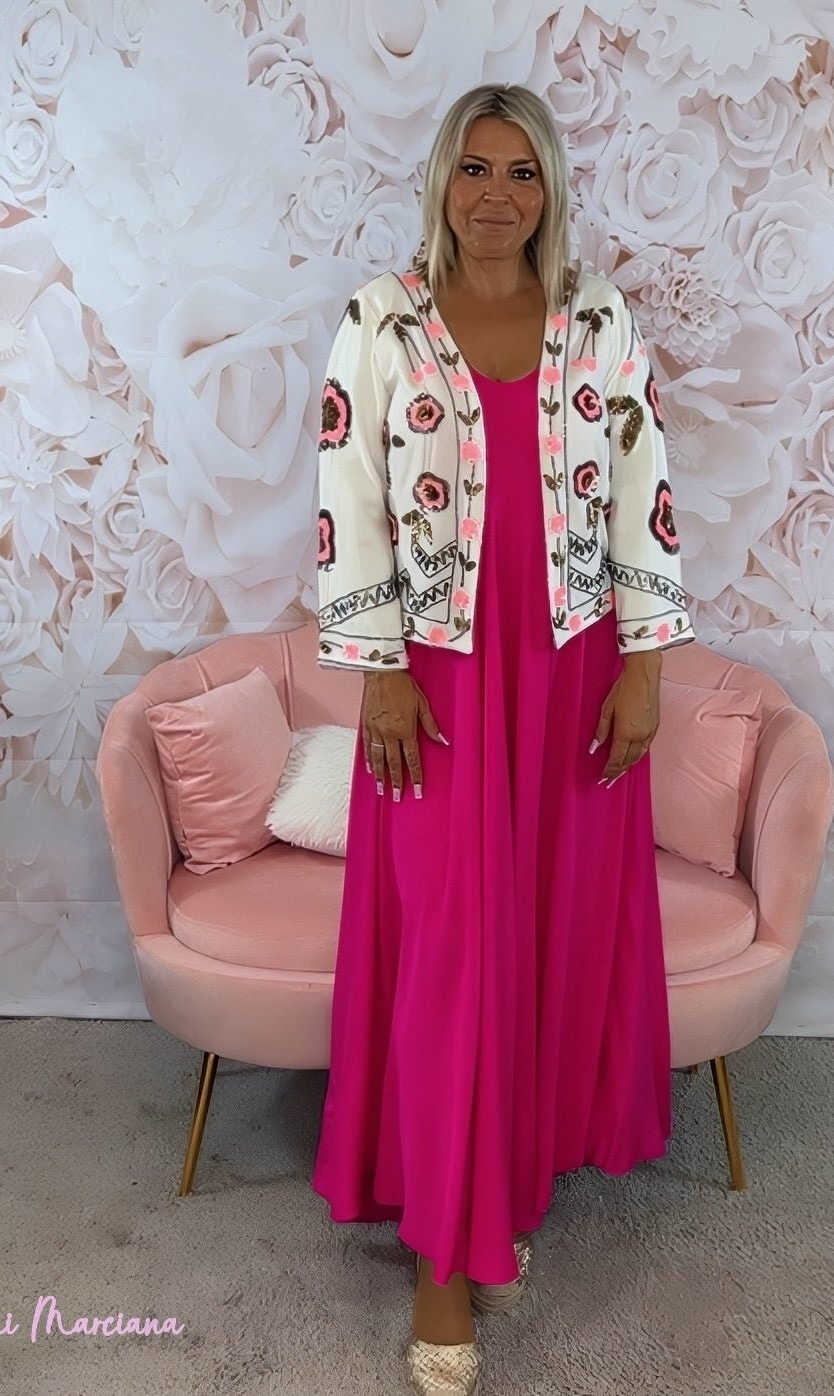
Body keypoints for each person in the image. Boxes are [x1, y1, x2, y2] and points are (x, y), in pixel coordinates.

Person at [311, 82, 696, 1395]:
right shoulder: (380, 322)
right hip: (440, 679)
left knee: (541, 938)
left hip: (573, 664)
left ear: (550, 191)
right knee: (453, 956)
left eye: (521, 172)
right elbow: (347, 498)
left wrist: (644, 665)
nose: (496, 195)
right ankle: (443, 1258)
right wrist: (378, 673)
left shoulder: (600, 320)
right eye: (474, 169)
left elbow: (645, 492)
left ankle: (502, 1181)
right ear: (441, 182)